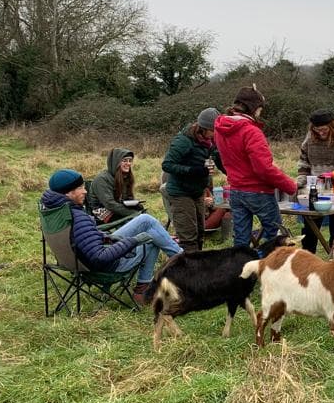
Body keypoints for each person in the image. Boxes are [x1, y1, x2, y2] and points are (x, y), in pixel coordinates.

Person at [42, 168, 183, 303]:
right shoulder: (78, 218)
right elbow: (100, 257)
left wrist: (105, 236)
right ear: (68, 193)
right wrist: (132, 241)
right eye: (81, 188)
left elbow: (85, 238)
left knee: (146, 221)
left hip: (78, 263)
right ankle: (184, 263)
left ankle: (179, 259)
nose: (85, 191)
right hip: (106, 267)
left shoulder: (55, 211)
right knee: (152, 237)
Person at [213, 85, 297, 250]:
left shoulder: (220, 129)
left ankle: (241, 272)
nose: (260, 112)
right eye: (260, 108)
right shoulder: (251, 132)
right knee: (277, 235)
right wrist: (290, 186)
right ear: (254, 108)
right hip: (258, 192)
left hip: (236, 190)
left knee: (241, 239)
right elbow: (263, 168)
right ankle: (270, 268)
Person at [161, 107, 221, 252]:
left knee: (200, 233)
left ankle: (198, 269)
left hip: (197, 191)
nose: (215, 134)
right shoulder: (184, 141)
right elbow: (167, 164)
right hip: (181, 193)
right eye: (214, 130)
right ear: (203, 128)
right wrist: (193, 171)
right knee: (188, 237)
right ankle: (189, 271)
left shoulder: (209, 142)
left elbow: (219, 158)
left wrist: (231, 173)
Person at [296, 109, 334, 253]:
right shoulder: (309, 138)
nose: (320, 132)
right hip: (313, 188)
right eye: (317, 129)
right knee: (310, 228)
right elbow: (304, 163)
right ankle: (308, 257)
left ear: (332, 126)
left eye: (323, 129)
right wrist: (299, 181)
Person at [87, 148, 144, 223]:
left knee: (143, 214)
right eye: (124, 161)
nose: (128, 163)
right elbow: (110, 204)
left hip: (117, 208)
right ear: (116, 162)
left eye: (130, 161)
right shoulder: (101, 179)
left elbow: (126, 198)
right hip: (102, 212)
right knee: (138, 219)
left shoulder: (125, 177)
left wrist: (135, 205)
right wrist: (133, 213)